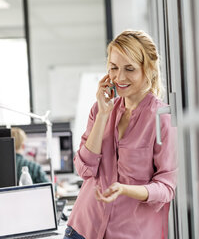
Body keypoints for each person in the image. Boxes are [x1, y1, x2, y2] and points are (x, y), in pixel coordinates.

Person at [65, 30, 177, 239]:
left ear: (149, 70)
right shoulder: (99, 109)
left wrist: (125, 189)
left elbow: (166, 187)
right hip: (82, 228)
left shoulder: (162, 118)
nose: (120, 77)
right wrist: (103, 115)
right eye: (114, 68)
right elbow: (84, 169)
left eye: (130, 69)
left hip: (130, 233)